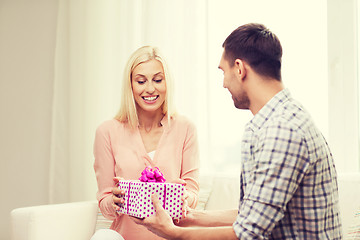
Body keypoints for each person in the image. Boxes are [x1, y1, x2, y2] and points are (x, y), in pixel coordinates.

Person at [132, 23, 343, 239]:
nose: (224, 83)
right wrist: (188, 216)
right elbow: (253, 214)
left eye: (224, 71)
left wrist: (172, 232)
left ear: (240, 69)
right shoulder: (283, 118)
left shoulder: (281, 131)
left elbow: (247, 232)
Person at [92, 46, 200, 240]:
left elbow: (192, 192)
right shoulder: (107, 131)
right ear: (130, 85)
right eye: (141, 81)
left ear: (168, 83)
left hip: (172, 235)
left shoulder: (185, 128)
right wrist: (113, 201)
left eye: (158, 80)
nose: (150, 89)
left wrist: (185, 198)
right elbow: (105, 200)